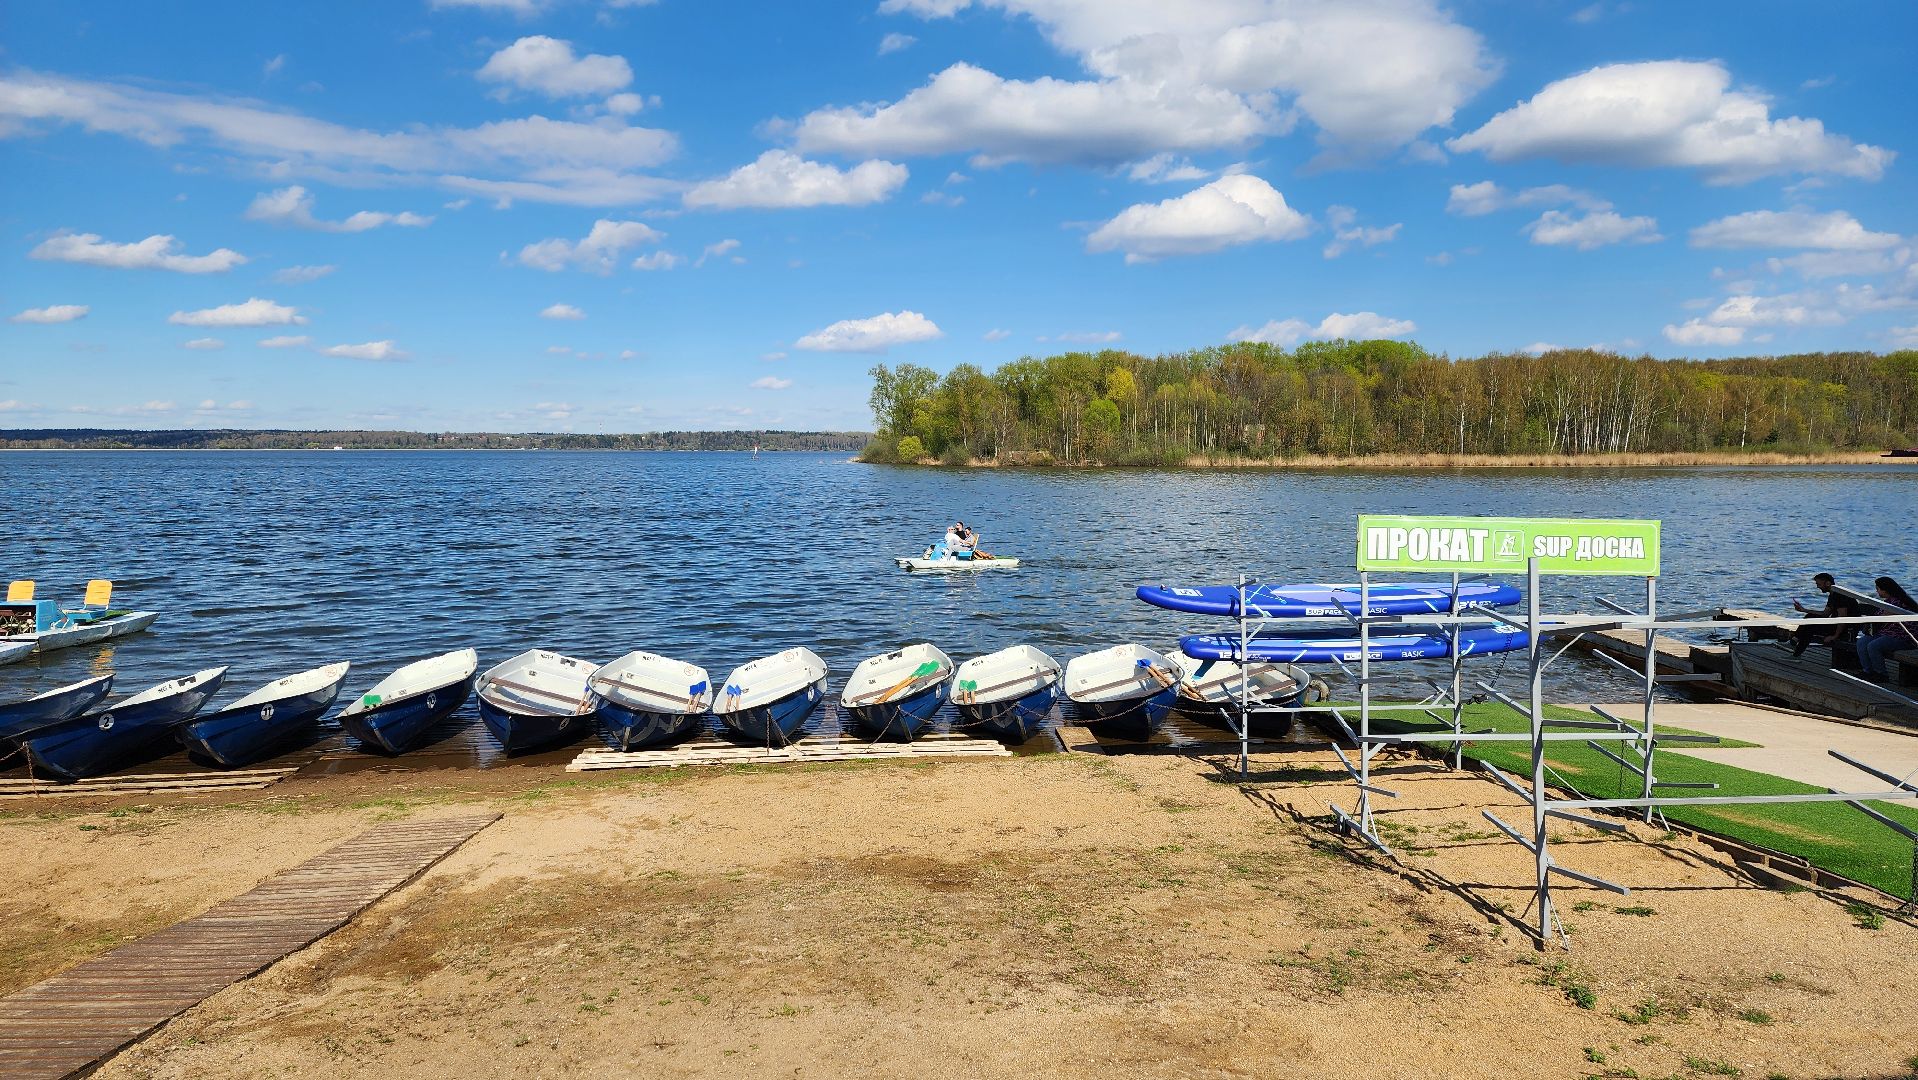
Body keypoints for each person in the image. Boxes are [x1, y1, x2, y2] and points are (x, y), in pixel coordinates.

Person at [1855, 576, 1918, 682]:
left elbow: (1882, 617)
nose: (1877, 591)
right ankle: (1868, 671)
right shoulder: (1888, 601)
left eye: (1878, 589)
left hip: (1903, 637)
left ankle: (1881, 674)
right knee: (1862, 642)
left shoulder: (1898, 602)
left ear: (1885, 590)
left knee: (1873, 646)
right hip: (1886, 634)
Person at [1789, 573, 1863, 659]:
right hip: (1836, 624)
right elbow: (1825, 614)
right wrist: (1804, 610)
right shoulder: (1833, 594)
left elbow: (1843, 619)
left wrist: (1835, 636)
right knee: (1810, 616)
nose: (1818, 587)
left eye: (1819, 584)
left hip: (1847, 629)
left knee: (1810, 627)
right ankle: (1795, 640)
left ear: (1827, 583)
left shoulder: (1840, 595)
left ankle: (1796, 654)